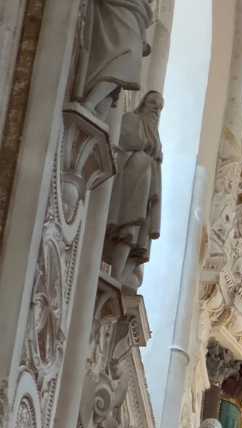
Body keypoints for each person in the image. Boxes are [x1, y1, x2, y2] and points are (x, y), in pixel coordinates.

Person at [105, 91, 163, 289]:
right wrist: (149, 148)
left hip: (146, 190)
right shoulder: (131, 119)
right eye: (153, 102)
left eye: (160, 106)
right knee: (128, 230)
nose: (156, 108)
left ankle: (119, 278)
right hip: (129, 185)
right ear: (143, 102)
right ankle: (115, 276)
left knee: (137, 237)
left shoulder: (155, 135)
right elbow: (127, 140)